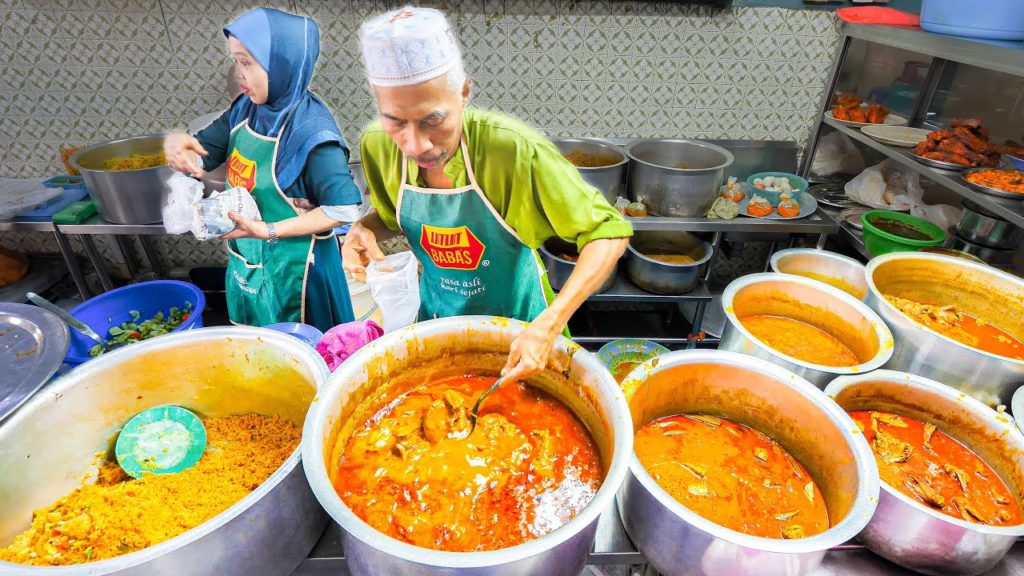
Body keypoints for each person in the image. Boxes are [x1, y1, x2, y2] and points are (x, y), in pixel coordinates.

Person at [344, 6, 632, 381]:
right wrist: (361, 230)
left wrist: (549, 324)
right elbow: (386, 216)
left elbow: (609, 232)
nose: (416, 145)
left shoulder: (510, 150)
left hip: (523, 329)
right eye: (395, 121)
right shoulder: (376, 146)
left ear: (464, 93)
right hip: (437, 320)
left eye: (433, 120)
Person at [165, 7, 361, 333]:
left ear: (281, 63)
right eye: (236, 61)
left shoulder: (312, 132)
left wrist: (268, 230)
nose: (238, 74)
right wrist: (179, 151)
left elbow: (342, 208)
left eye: (246, 62)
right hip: (251, 263)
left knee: (308, 354)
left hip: (299, 273)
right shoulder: (246, 109)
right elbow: (202, 154)